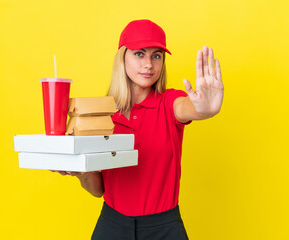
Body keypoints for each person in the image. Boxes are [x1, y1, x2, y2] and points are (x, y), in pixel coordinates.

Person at [51, 19, 224, 239]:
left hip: (163, 228)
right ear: (122, 57)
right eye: (139, 54)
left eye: (156, 55)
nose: (149, 64)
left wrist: (205, 109)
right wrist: (80, 172)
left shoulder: (169, 103)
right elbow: (99, 190)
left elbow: (188, 107)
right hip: (112, 225)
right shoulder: (103, 114)